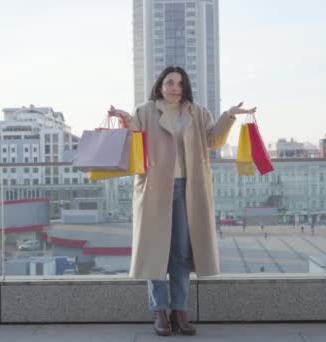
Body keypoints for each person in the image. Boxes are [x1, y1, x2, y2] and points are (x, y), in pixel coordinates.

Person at [109, 65, 256, 336]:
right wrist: (126, 120)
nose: (174, 88)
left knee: (180, 253)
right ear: (160, 85)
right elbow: (135, 140)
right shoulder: (146, 111)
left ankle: (180, 310)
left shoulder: (197, 112)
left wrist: (229, 117)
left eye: (179, 83)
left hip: (188, 188)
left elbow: (213, 141)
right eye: (169, 82)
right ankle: (160, 312)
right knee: (155, 252)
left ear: (184, 86)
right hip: (154, 188)